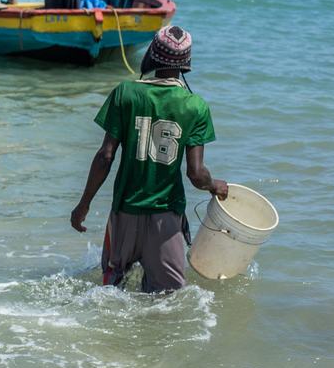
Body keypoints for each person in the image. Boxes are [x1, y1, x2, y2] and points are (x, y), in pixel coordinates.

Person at [70, 25, 229, 293]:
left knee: (111, 289)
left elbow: (104, 156)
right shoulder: (195, 106)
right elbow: (196, 173)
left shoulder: (126, 93)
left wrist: (83, 204)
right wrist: (215, 185)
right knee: (167, 298)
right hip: (166, 218)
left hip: (125, 211)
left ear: (152, 55)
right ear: (186, 64)